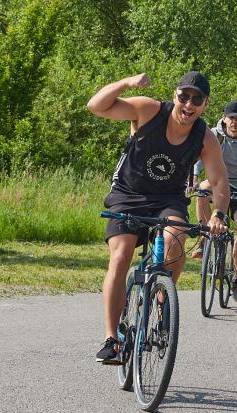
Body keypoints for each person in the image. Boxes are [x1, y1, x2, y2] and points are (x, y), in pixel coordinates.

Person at [88, 71, 229, 363]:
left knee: (177, 235)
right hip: (128, 194)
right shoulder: (148, 110)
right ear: (175, 95)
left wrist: (218, 213)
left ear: (205, 105)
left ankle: (163, 299)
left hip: (168, 200)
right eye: (184, 96)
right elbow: (96, 106)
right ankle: (111, 339)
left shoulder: (205, 137)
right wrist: (126, 83)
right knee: (121, 256)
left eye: (197, 100)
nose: (188, 105)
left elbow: (219, 182)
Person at [191, 100, 237, 302]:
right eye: (231, 118)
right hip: (217, 183)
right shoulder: (213, 134)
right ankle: (204, 237)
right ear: (224, 119)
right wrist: (194, 177)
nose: (234, 122)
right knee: (201, 192)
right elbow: (199, 156)